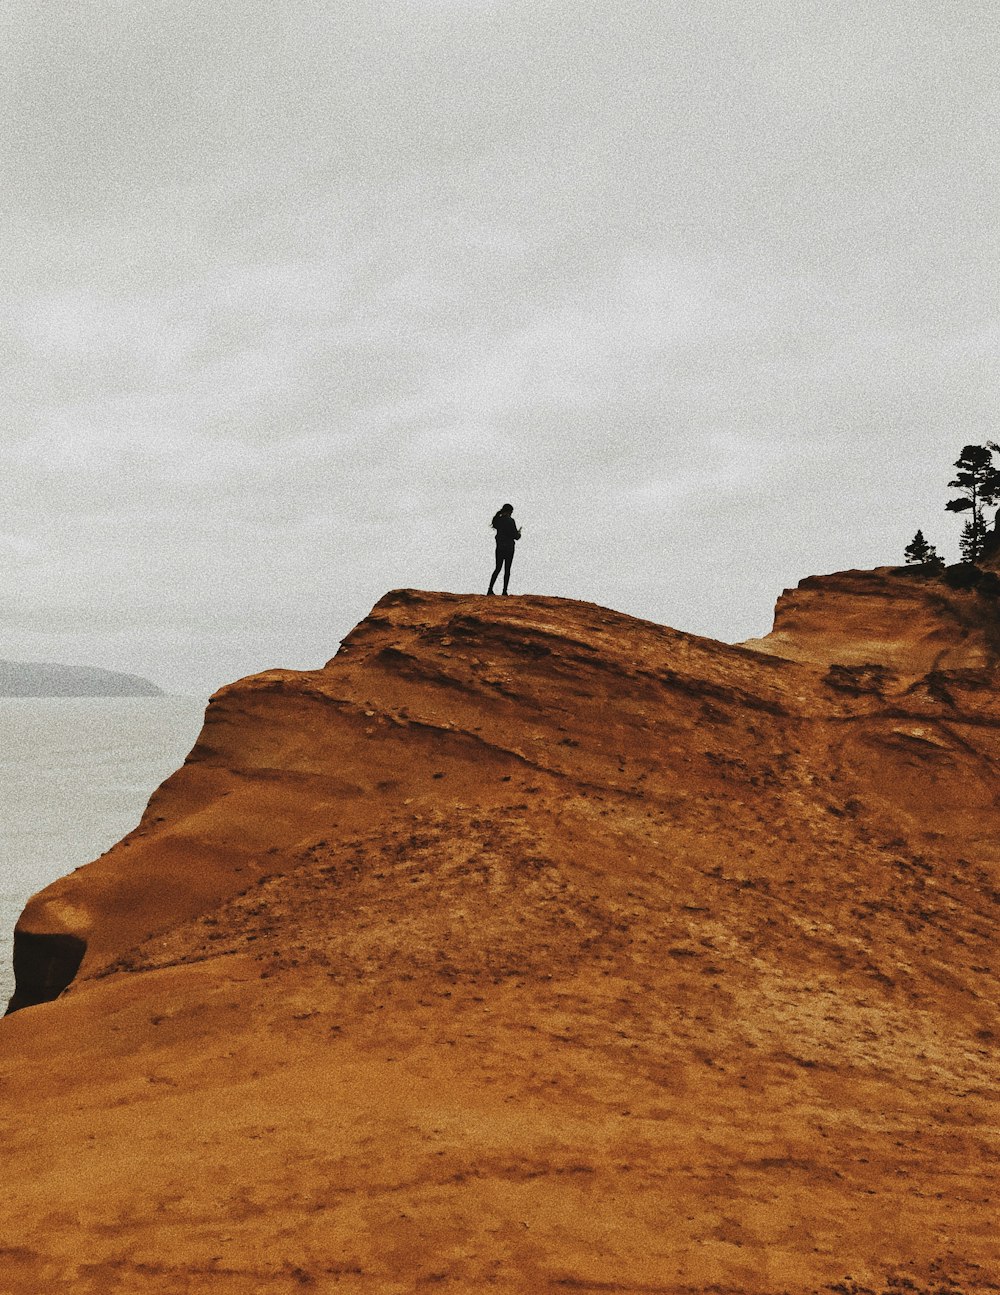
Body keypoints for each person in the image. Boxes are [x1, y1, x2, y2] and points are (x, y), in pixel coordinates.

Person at [487, 503, 521, 595]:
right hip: (509, 548)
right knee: (507, 569)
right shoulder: (510, 521)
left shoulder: (498, 520)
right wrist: (519, 534)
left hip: (499, 547)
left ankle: (490, 589)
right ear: (510, 511)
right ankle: (504, 591)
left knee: (497, 568)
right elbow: (515, 536)